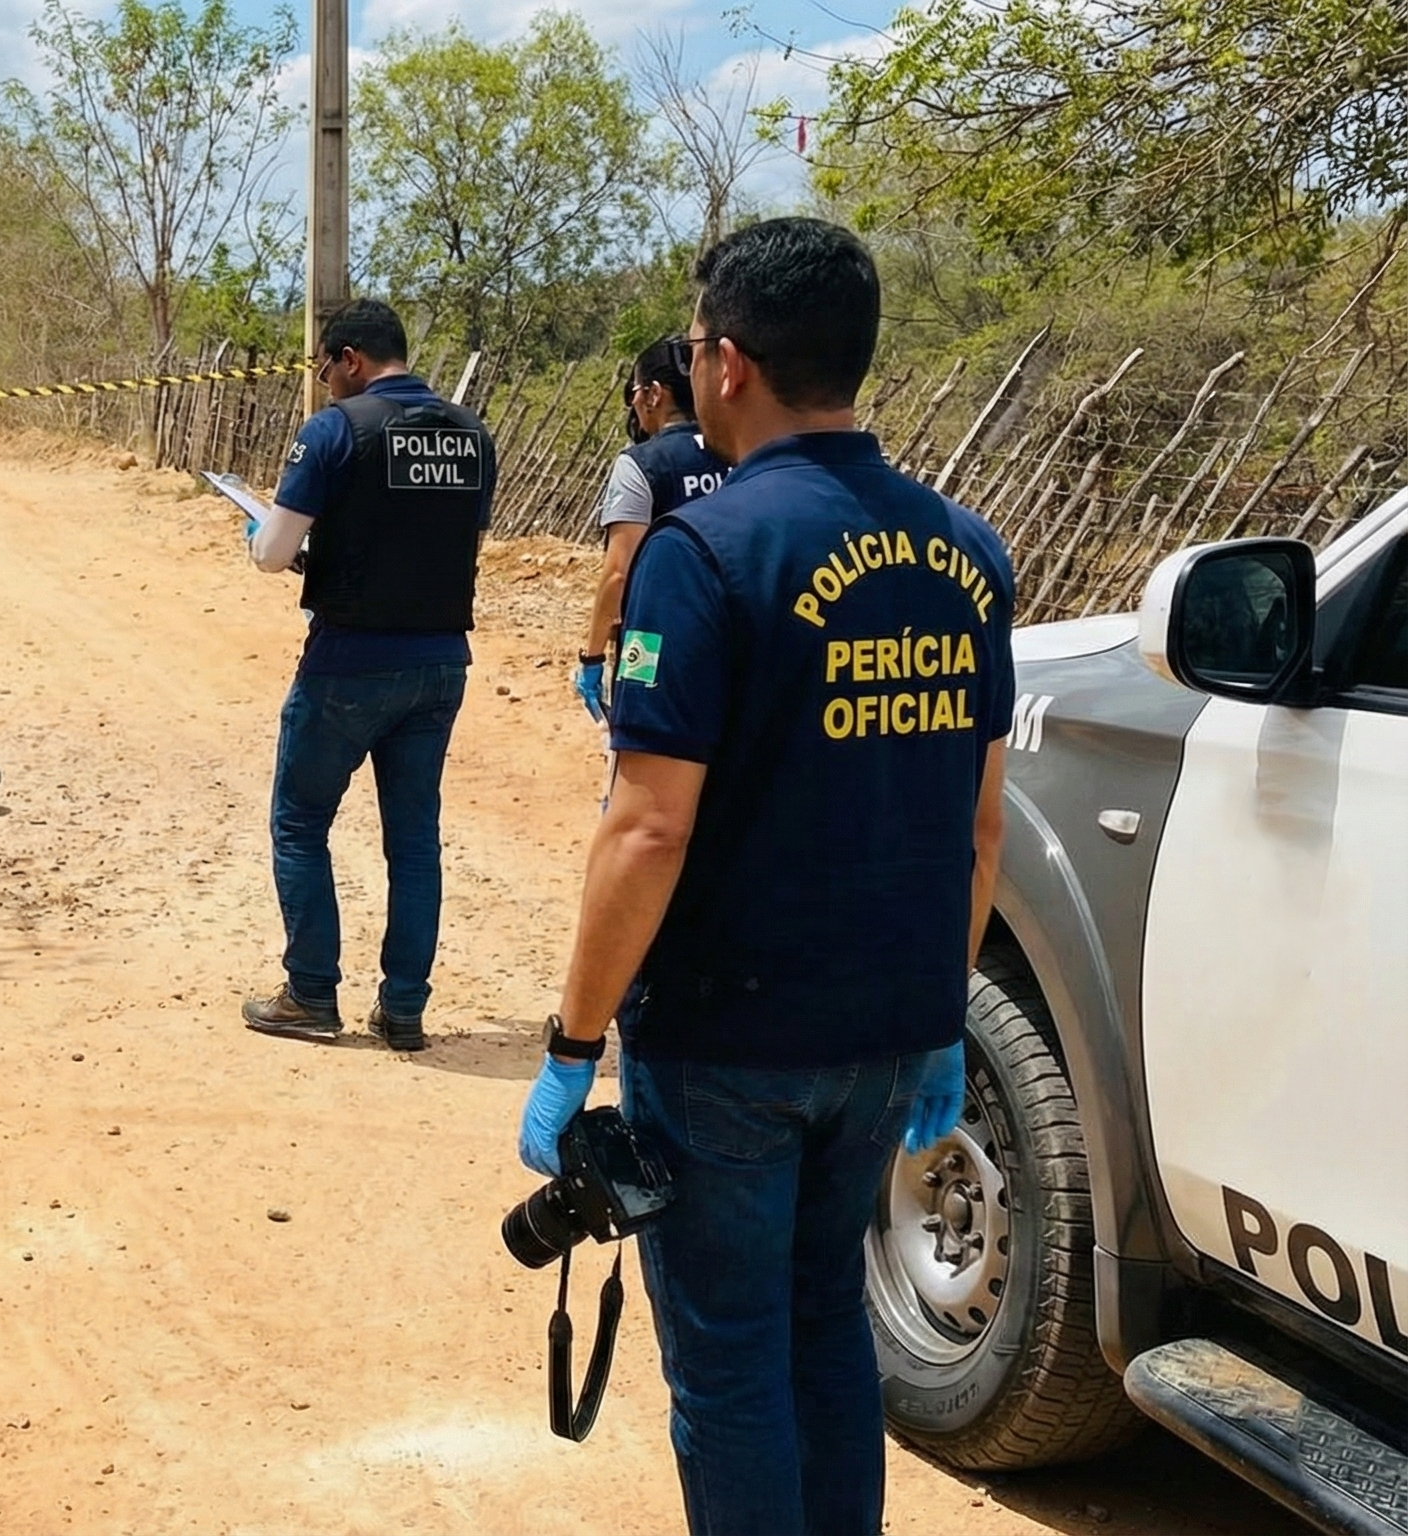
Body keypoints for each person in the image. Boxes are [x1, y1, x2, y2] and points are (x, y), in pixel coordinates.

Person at [513, 217, 1015, 1535]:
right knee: (824, 1338)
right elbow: (980, 829)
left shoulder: (709, 555)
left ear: (730, 363)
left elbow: (646, 830)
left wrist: (572, 1046)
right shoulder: (971, 555)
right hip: (888, 1037)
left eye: (693, 349)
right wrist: (937, 1022)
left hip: (729, 1046)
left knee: (731, 1366)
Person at [240, 298, 495, 1053]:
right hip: (442, 662)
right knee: (414, 841)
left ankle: (312, 994)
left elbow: (273, 555)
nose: (322, 382)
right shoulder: (474, 436)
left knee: (300, 822)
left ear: (350, 357)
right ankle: (404, 1009)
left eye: (324, 367)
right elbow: (443, 540)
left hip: (350, 663)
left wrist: (261, 529)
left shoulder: (335, 432)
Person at [575, 337, 728, 719]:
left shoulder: (639, 464)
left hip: (651, 639)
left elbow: (617, 574)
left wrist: (592, 658)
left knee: (640, 754)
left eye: (634, 392)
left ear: (654, 395)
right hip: (733, 633)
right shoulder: (739, 453)